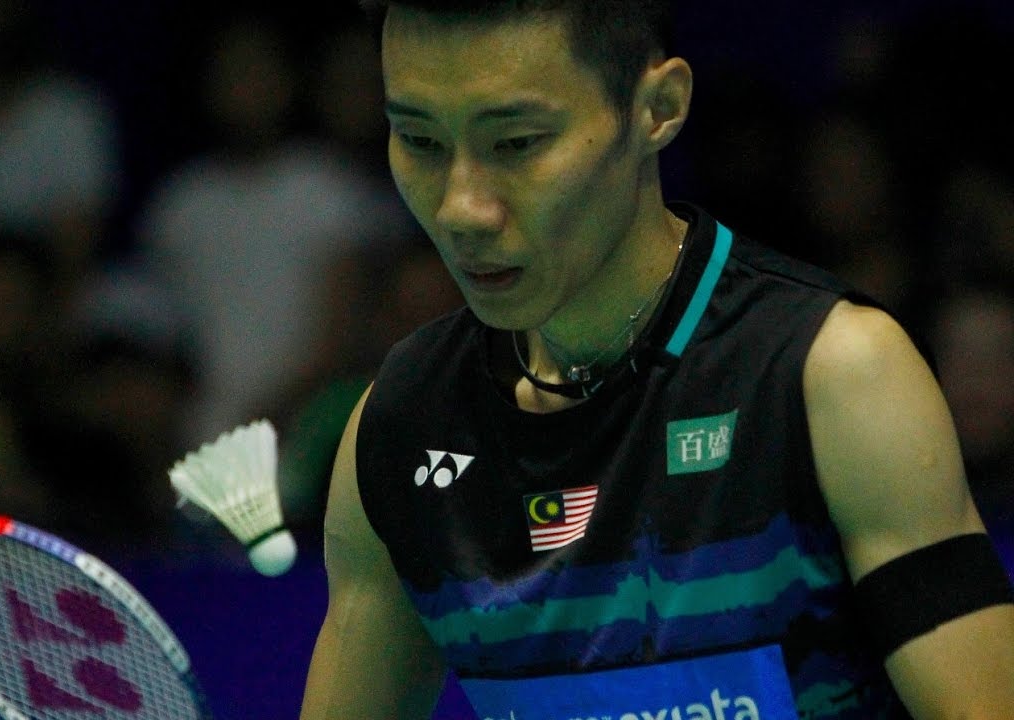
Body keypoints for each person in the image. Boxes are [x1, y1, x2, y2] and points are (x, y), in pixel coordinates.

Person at [298, 2, 1014, 719]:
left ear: (658, 108)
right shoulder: (404, 427)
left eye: (516, 143)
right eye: (419, 141)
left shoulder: (828, 374)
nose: (462, 208)